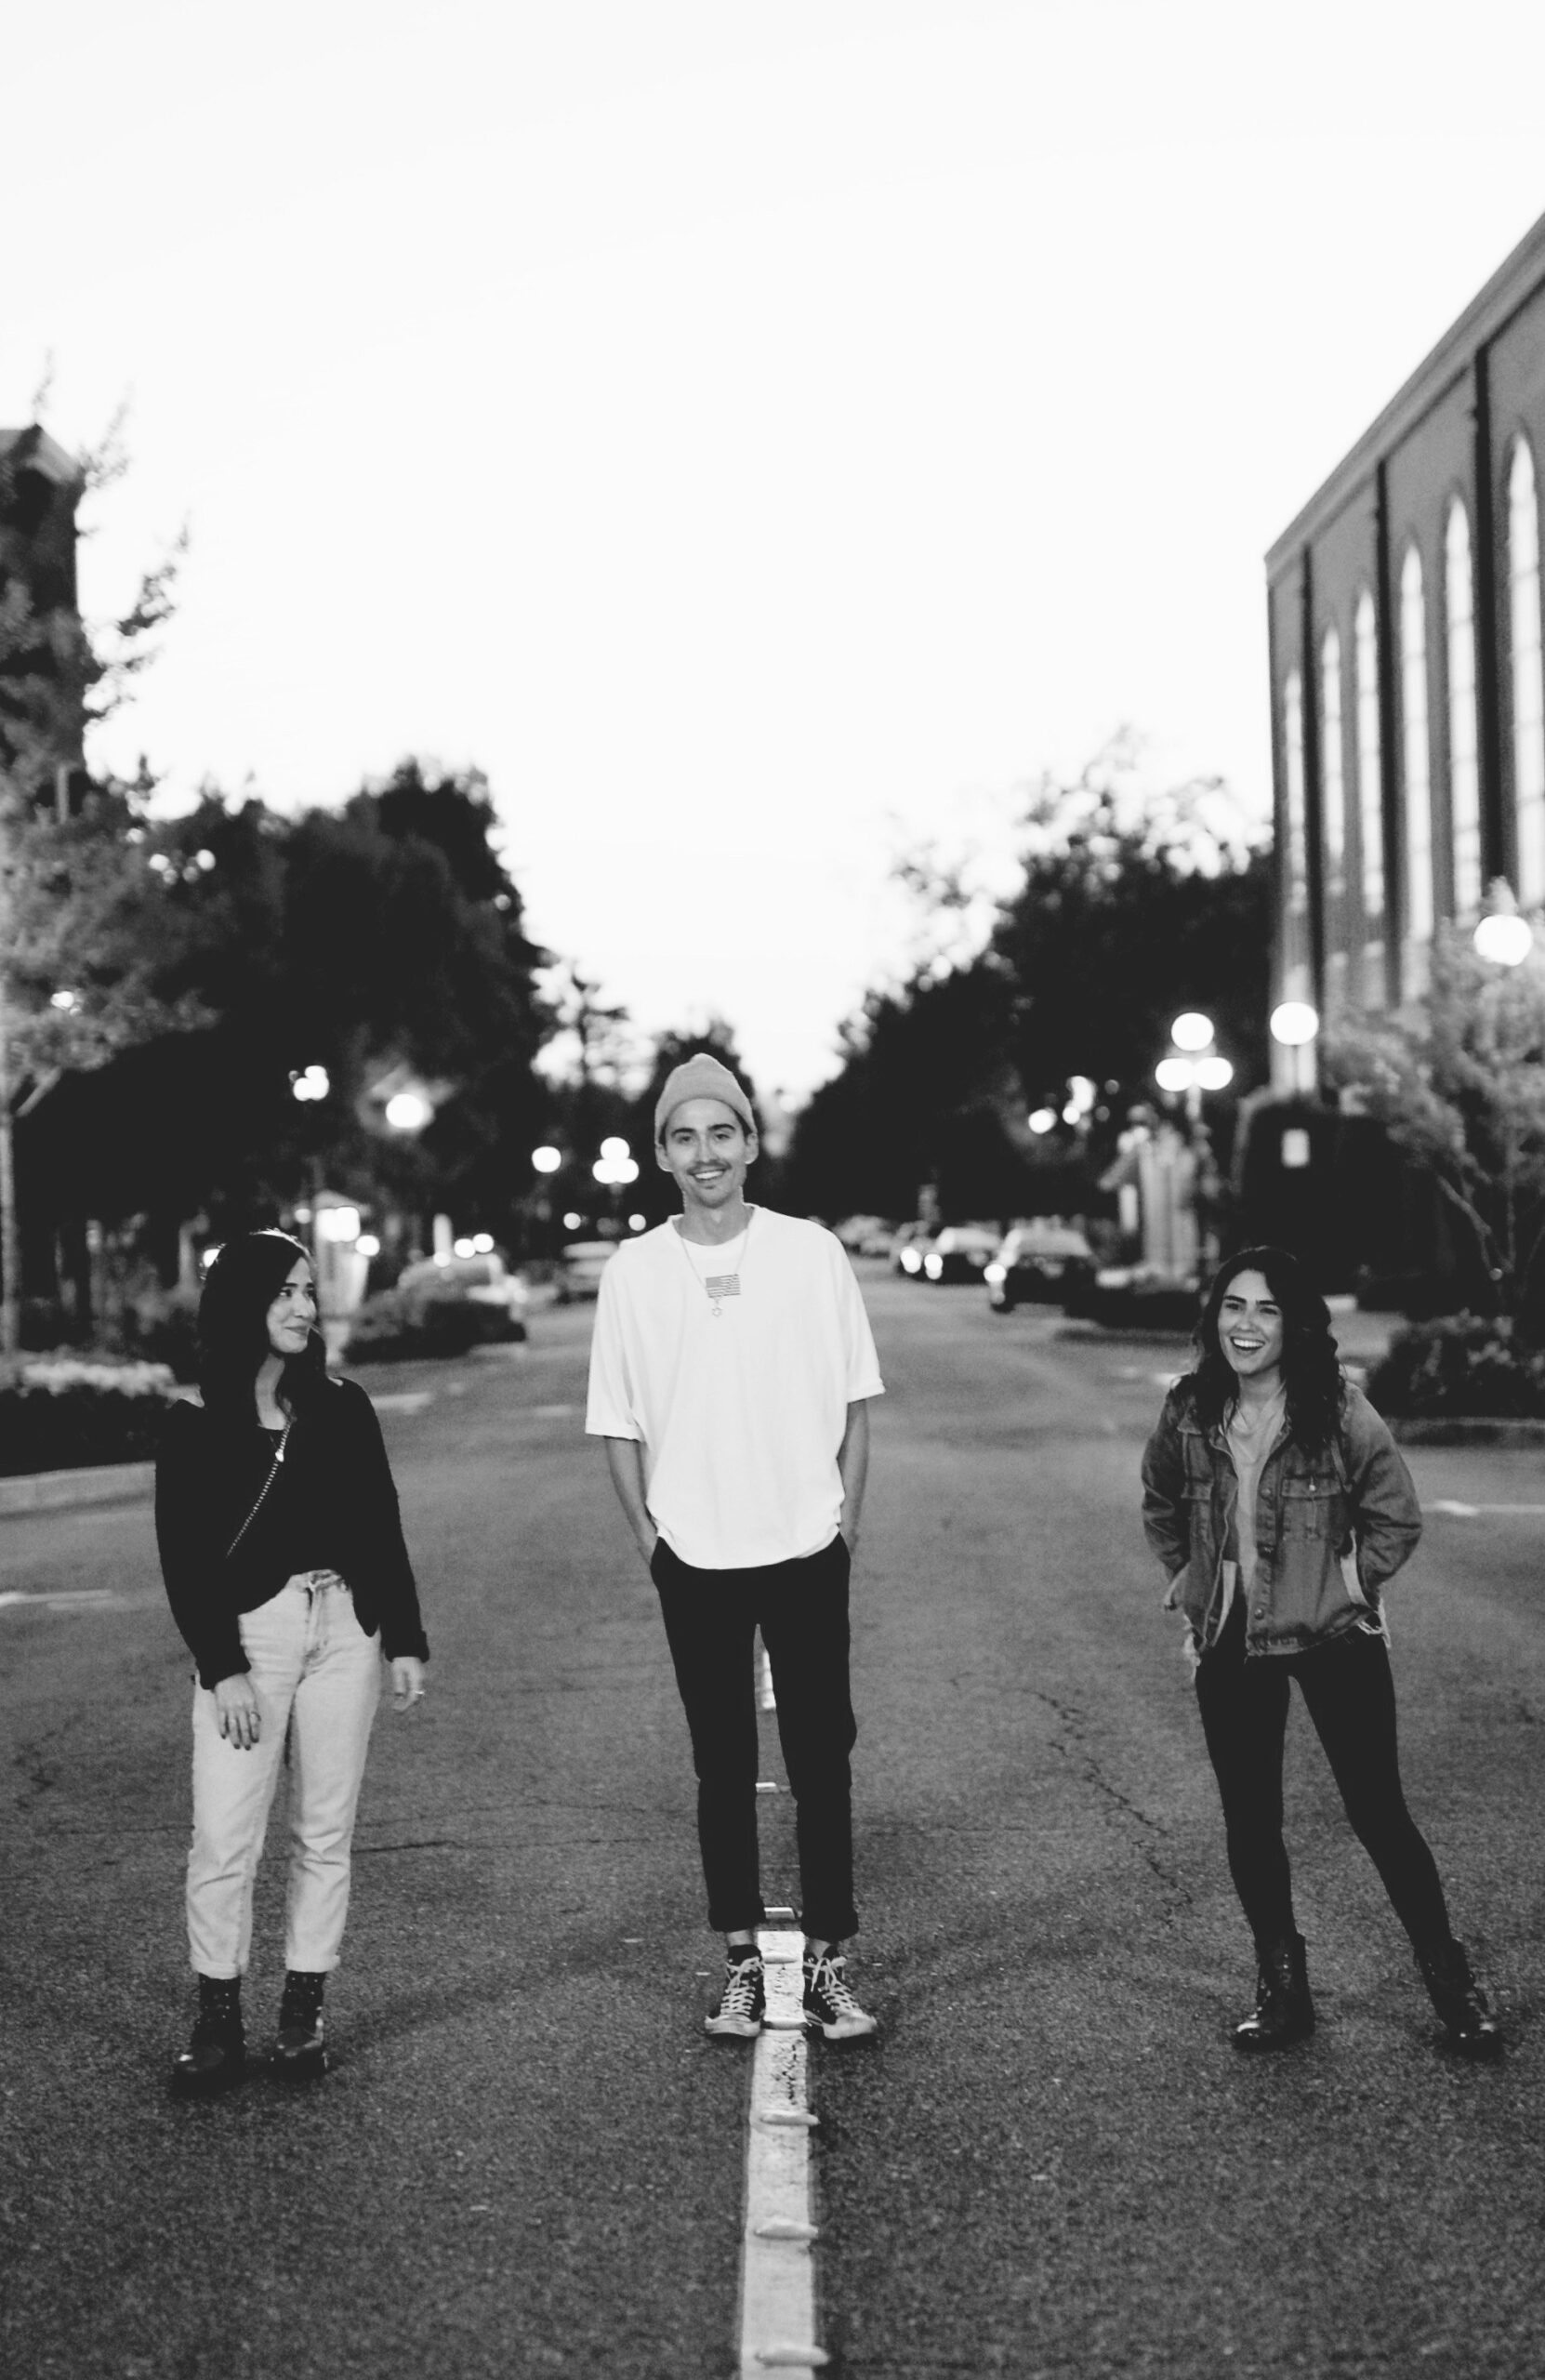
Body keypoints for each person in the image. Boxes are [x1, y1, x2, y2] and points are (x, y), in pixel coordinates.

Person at [586, 1052, 884, 2043]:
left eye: (722, 1133)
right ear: (663, 1156)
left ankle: (833, 1961)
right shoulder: (633, 1273)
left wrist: (843, 1524)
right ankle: (745, 1965)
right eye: (684, 1137)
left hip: (805, 1541)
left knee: (820, 1755)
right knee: (722, 1761)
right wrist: (649, 1540)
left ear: (751, 1144)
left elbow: (853, 1402)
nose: (705, 1154)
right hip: (694, 1554)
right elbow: (617, 1422)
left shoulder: (812, 1254)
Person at [1141, 1245, 1501, 2057]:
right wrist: (1190, 1583)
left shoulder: (1339, 1411)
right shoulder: (1191, 1411)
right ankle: (1282, 1988)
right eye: (1234, 1306)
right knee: (1252, 1819)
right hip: (1230, 1635)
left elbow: (1396, 1518)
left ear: (1295, 1323)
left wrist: (1346, 1585)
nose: (1247, 1325)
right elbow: (1162, 1499)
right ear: (1214, 1317)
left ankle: (1452, 1984)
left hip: (1333, 1635)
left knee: (1378, 1811)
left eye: (1266, 1310)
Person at [155, 1230, 429, 2095]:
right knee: (225, 1837)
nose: (303, 1308)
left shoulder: (342, 1406)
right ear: (241, 1304)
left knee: (324, 1831)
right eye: (282, 1293)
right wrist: (221, 1664)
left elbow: (382, 1523)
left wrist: (407, 1637)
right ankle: (217, 2020)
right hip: (252, 1640)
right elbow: (185, 1557)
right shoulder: (195, 1423)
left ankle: (304, 2009)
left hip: (345, 1628)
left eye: (308, 1291)